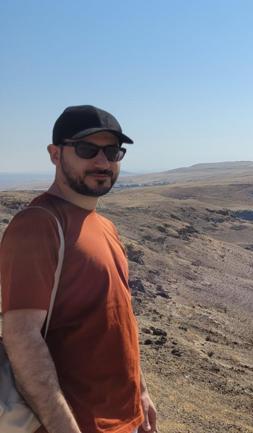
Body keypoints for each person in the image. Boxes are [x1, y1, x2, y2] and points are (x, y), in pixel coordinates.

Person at [0, 105, 158, 433]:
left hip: (123, 419)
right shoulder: (39, 225)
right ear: (55, 154)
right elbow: (21, 336)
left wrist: (140, 392)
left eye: (112, 151)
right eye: (87, 150)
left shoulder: (105, 227)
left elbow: (118, 319)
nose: (102, 162)